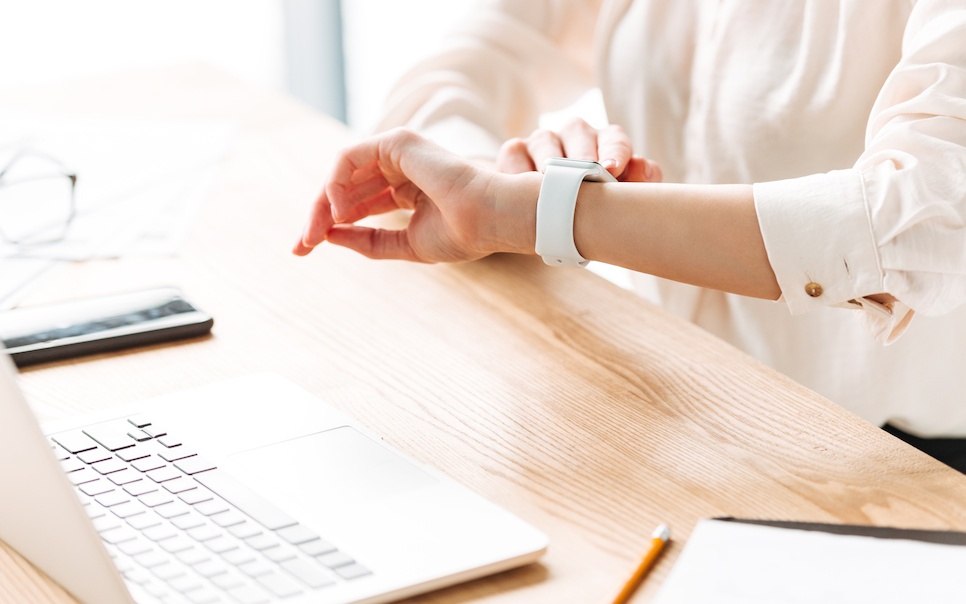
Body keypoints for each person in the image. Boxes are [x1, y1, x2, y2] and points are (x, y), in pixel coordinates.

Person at [294, 1, 966, 470]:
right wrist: (496, 180)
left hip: (901, 466)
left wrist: (541, 212)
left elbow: (926, 214)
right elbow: (457, 71)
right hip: (682, 410)